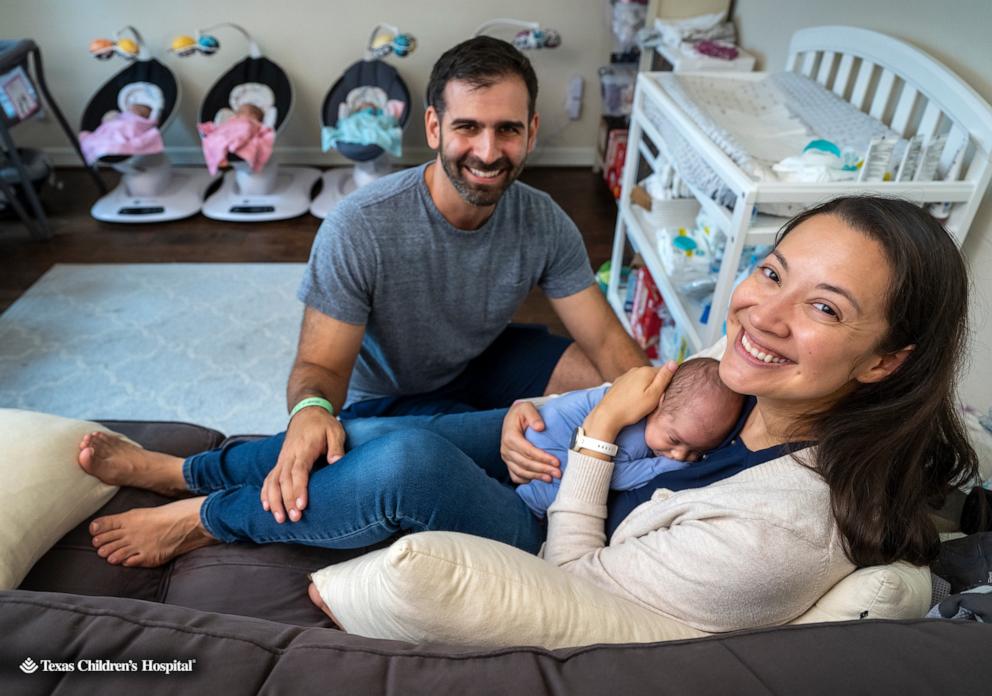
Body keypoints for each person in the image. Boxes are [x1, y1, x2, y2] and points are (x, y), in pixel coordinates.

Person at [308, 195, 973, 633]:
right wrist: (532, 412)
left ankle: (210, 517)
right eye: (772, 274)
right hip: (554, 469)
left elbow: (569, 581)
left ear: (884, 361)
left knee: (403, 460)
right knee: (370, 429)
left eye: (824, 307)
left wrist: (594, 439)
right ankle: (205, 470)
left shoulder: (778, 535)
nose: (763, 317)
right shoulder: (751, 372)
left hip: (548, 531)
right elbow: (632, 392)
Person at [277, 35, 646, 526]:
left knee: (602, 383)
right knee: (494, 444)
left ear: (531, 132)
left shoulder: (543, 220)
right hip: (385, 398)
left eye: (507, 130)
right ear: (434, 126)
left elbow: (604, 338)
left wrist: (661, 408)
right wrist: (311, 409)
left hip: (479, 360)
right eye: (468, 127)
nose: (488, 152)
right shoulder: (359, 225)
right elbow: (319, 364)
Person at [516, 357, 744, 517]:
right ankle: (528, 505)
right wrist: (663, 466)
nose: (679, 455)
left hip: (538, 425)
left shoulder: (660, 414)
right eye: (674, 440)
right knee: (552, 490)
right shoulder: (634, 431)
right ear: (659, 402)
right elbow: (609, 475)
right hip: (541, 446)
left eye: (696, 452)